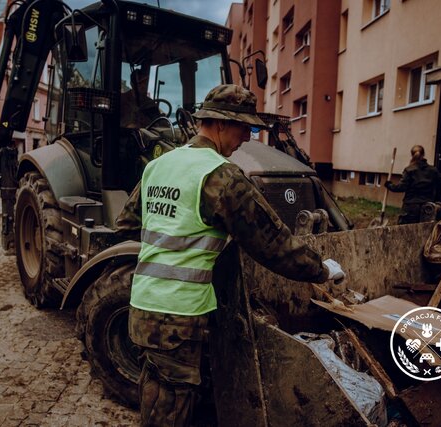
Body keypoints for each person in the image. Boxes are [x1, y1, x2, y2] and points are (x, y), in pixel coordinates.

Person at [116, 84, 346, 427]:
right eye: (245, 128)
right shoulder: (220, 176)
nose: (247, 138)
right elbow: (273, 245)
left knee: (158, 391)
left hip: (144, 305)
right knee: (172, 407)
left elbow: (127, 223)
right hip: (178, 316)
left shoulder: (159, 166)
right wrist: (322, 271)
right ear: (221, 124)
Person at [385, 145, 441, 224]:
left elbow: (401, 187)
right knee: (425, 231)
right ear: (423, 154)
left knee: (405, 231)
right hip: (427, 207)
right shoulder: (433, 170)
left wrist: (389, 185)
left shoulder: (409, 170)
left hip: (411, 207)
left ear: (412, 155)